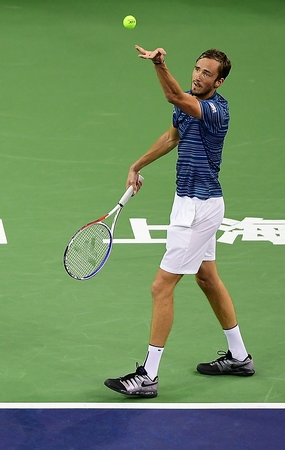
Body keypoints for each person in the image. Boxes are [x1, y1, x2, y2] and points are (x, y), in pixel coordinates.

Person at [103, 46, 254, 398]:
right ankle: (239, 356)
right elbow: (173, 136)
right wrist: (137, 165)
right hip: (191, 203)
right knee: (207, 277)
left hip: (198, 209)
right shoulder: (187, 103)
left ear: (219, 82)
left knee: (161, 287)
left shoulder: (215, 111)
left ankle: (148, 376)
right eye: (197, 69)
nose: (198, 76)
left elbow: (173, 95)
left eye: (207, 73)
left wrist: (159, 65)